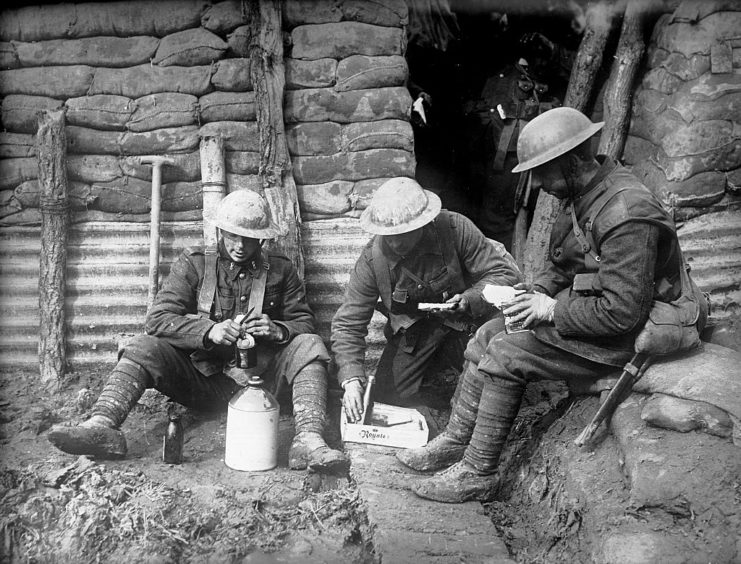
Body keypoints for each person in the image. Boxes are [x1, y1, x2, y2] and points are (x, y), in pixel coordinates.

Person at [397, 107, 706, 503]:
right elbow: (564, 266)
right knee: (488, 333)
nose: (538, 184)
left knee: (507, 352)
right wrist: (532, 290)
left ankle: (478, 473)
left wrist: (550, 311)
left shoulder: (626, 215)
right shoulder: (582, 196)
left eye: (542, 172)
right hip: (595, 315)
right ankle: (457, 440)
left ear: (573, 162)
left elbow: (622, 313)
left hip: (635, 331)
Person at [48, 189, 347, 471]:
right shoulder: (195, 265)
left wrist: (277, 329)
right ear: (220, 232)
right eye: (232, 236)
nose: (239, 246)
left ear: (262, 241)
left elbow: (306, 324)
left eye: (249, 239)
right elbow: (158, 319)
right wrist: (208, 332)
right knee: (142, 346)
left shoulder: (281, 270)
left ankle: (308, 441)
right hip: (204, 384)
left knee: (309, 345)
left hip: (263, 386)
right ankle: (102, 426)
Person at [331, 177, 522, 424]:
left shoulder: (455, 229)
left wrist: (469, 299)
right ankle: (442, 393)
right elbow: (348, 323)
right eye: (389, 236)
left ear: (424, 223)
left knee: (493, 380)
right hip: (417, 334)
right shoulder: (371, 260)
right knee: (388, 398)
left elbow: (503, 274)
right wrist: (351, 380)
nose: (396, 242)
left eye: (404, 234)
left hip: (468, 323)